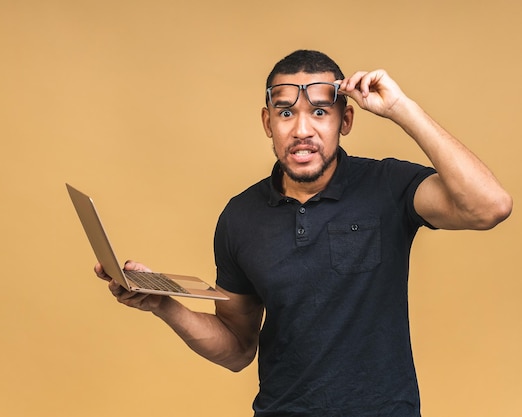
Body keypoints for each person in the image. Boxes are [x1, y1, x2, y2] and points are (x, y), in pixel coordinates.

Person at [94, 50, 512, 416]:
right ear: (267, 121)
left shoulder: (387, 186)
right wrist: (165, 306)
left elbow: (490, 206)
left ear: (345, 119)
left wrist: (402, 108)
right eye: (285, 112)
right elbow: (238, 348)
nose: (302, 130)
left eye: (319, 111)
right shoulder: (240, 217)